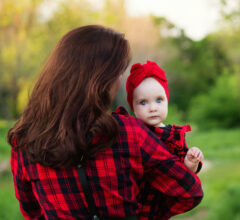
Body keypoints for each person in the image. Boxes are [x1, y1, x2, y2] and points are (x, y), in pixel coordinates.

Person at [8, 25, 203, 220]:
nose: (120, 81)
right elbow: (189, 191)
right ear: (101, 79)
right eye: (119, 72)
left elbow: (31, 212)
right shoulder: (129, 133)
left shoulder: (24, 139)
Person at [125, 60, 204, 220]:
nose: (153, 108)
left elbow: (184, 172)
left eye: (159, 100)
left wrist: (191, 162)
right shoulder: (131, 133)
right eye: (143, 102)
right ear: (133, 107)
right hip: (134, 201)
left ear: (167, 100)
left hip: (160, 202)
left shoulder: (172, 135)